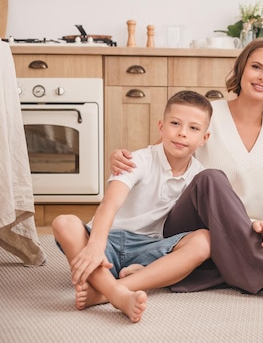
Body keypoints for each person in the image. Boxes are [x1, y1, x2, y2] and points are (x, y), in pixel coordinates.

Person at [110, 37, 263, 244]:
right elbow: (159, 156)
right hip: (194, 229)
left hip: (250, 229)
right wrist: (124, 160)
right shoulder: (205, 115)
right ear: (242, 68)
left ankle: (180, 271)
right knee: (212, 180)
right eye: (256, 67)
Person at [52, 90, 213, 323]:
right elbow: (110, 203)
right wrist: (97, 244)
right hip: (107, 242)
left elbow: (222, 212)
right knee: (63, 222)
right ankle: (117, 295)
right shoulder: (138, 160)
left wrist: (256, 223)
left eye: (193, 128)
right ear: (161, 126)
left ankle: (103, 291)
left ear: (204, 138)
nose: (181, 133)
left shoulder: (199, 176)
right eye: (175, 123)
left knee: (204, 240)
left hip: (150, 249)